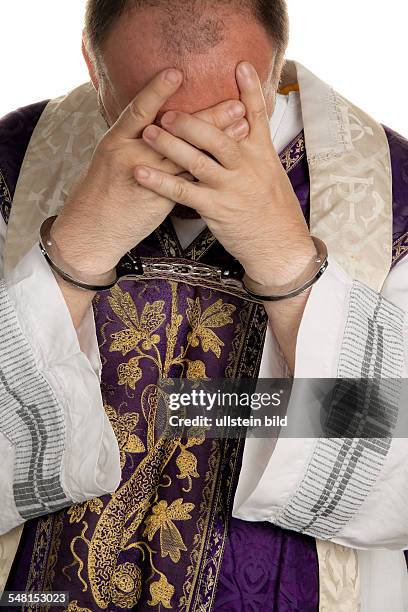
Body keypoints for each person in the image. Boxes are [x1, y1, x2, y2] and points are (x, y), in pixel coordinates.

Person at [0, 0, 407, 610]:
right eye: (154, 124)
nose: (191, 153)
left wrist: (289, 268)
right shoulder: (13, 168)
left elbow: (396, 473)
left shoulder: (394, 196)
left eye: (229, 114)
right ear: (93, 66)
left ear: (274, 69)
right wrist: (75, 255)